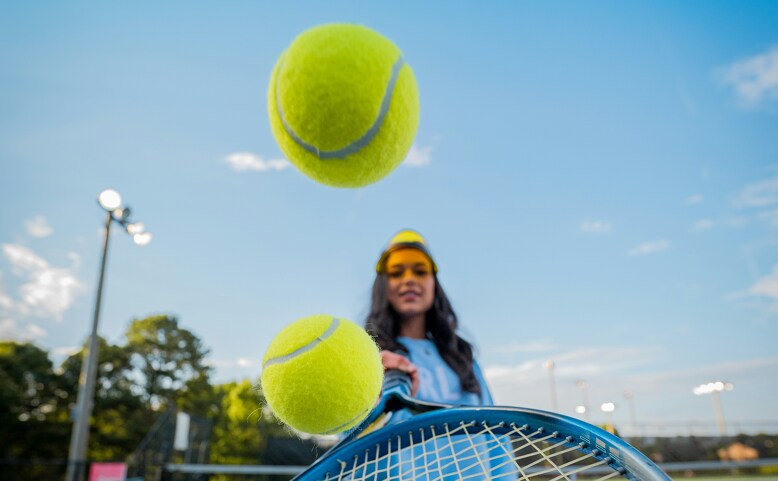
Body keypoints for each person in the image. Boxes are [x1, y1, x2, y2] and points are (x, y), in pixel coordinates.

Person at [365, 229, 494, 407]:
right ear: (382, 286)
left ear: (434, 283)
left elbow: (492, 420)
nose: (409, 280)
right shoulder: (369, 360)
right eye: (396, 273)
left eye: (420, 271)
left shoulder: (463, 358)